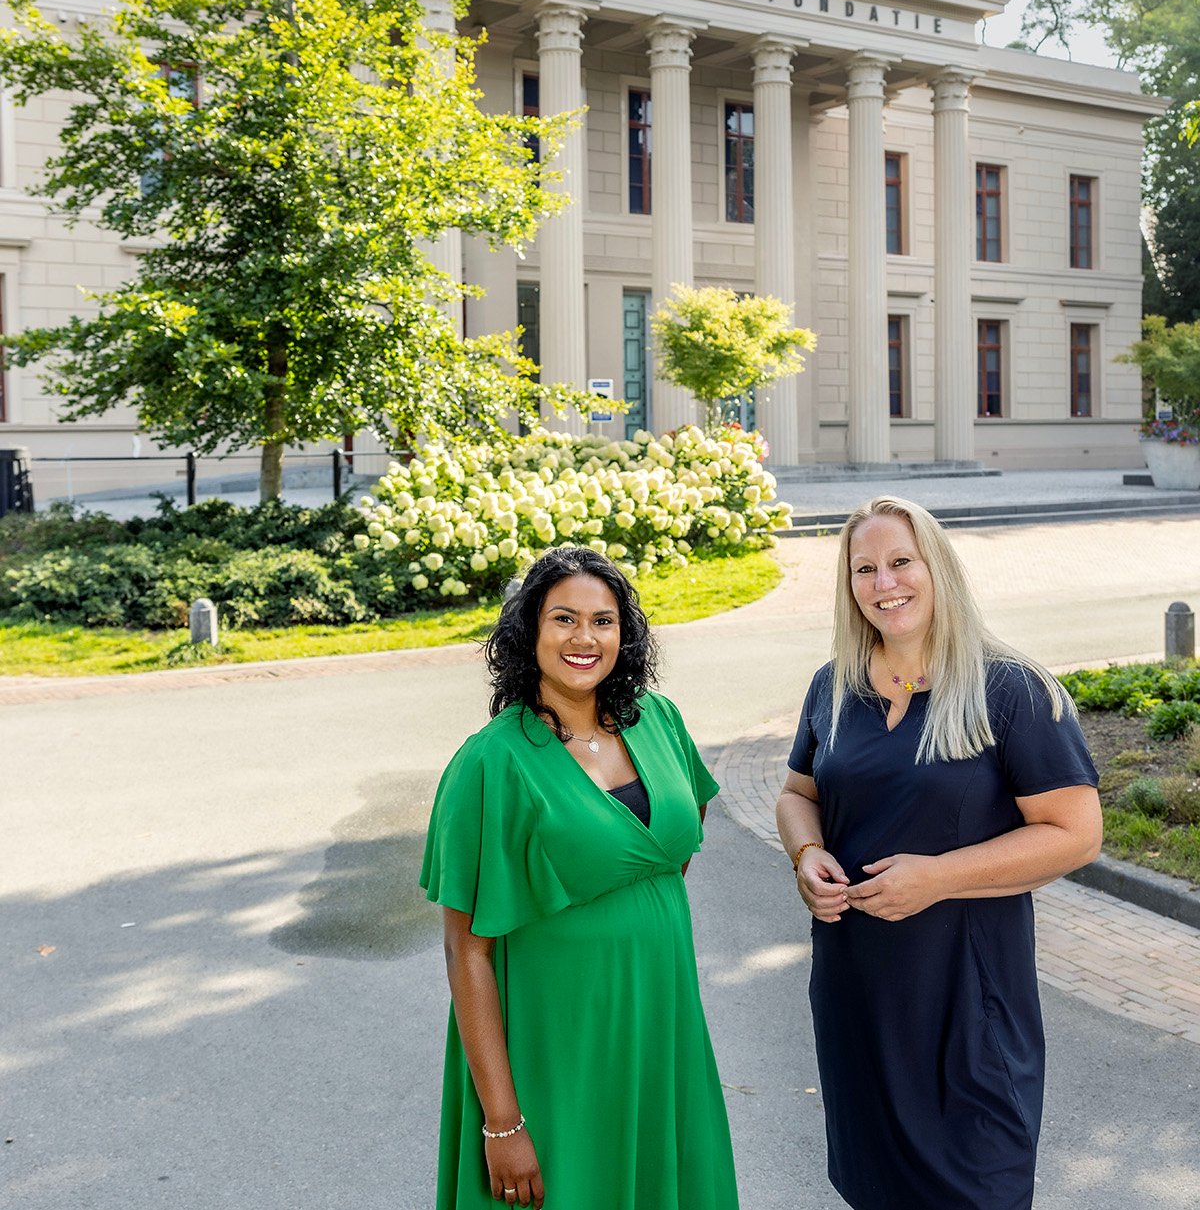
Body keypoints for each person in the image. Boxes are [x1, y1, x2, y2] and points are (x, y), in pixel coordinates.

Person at [777, 496, 1101, 1210]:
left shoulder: (1011, 688)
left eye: (900, 561)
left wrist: (939, 877)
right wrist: (806, 854)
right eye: (865, 568)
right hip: (856, 995)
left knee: (976, 1186)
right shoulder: (834, 688)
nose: (883, 582)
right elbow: (797, 793)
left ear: (936, 566)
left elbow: (1077, 832)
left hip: (966, 1000)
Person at [421, 544, 739, 1210]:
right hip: (557, 1039)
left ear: (626, 634)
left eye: (603, 620)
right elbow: (465, 950)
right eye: (564, 618)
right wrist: (502, 1120)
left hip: (662, 1021)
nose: (584, 638)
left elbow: (679, 832)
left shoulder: (660, 720)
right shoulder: (490, 764)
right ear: (528, 631)